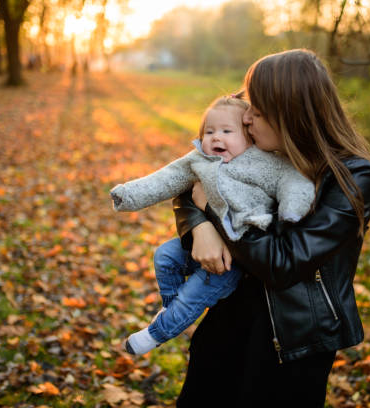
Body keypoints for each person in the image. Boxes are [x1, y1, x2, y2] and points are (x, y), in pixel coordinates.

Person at [172, 49, 370, 407]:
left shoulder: (351, 178)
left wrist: (215, 211)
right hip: (228, 322)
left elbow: (284, 263)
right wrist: (199, 227)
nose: (247, 119)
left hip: (294, 343)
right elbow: (190, 181)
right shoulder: (262, 152)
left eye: (257, 110)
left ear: (289, 113)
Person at [109, 95, 315, 355]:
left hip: (237, 253)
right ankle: (170, 310)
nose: (216, 137)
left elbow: (291, 180)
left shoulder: (264, 161)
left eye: (227, 131)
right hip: (205, 243)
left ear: (249, 136)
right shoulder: (198, 160)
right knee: (165, 256)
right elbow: (165, 179)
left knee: (192, 296)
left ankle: (155, 334)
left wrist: (293, 209)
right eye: (209, 132)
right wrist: (128, 195)